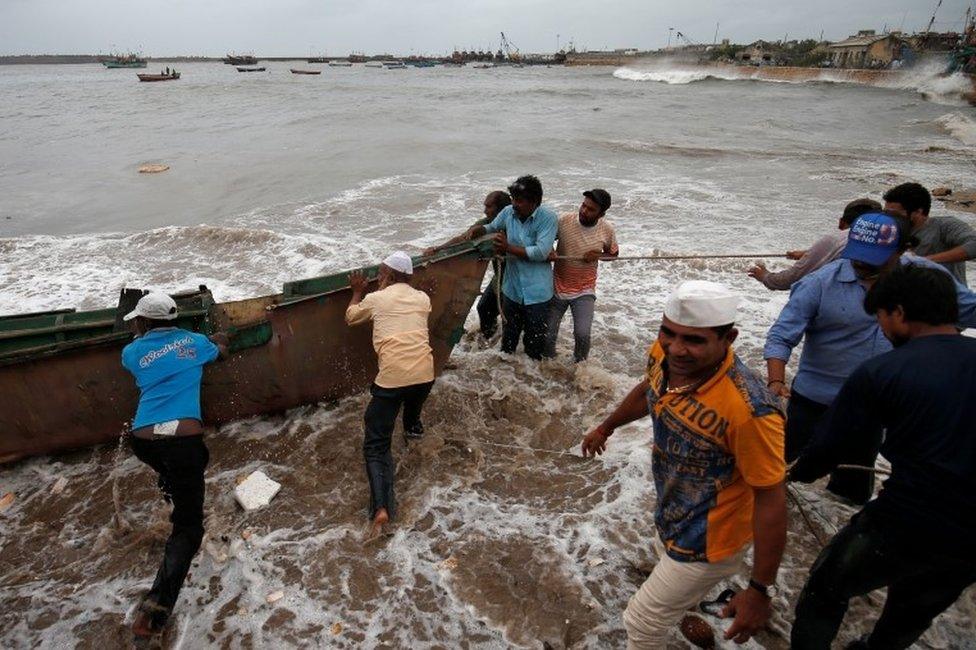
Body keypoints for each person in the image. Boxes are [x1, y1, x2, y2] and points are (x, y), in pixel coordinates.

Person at [581, 281, 787, 649]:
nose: (676, 349)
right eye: (668, 333)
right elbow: (650, 388)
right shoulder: (665, 357)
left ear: (729, 338)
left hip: (711, 540)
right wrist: (606, 426)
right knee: (666, 594)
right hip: (674, 510)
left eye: (693, 340)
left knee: (641, 622)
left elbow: (772, 499)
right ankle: (684, 612)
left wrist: (759, 590)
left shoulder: (749, 411)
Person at [789, 265, 976, 649]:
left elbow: (829, 448)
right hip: (972, 539)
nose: (882, 328)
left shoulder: (880, 372)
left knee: (826, 588)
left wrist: (792, 473)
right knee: (913, 609)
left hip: (908, 520)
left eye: (880, 317)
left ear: (899, 313)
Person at [764, 211, 976, 504]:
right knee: (773, 474)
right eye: (857, 254)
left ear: (903, 250)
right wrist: (776, 381)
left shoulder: (926, 280)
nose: (861, 263)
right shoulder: (819, 283)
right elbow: (781, 335)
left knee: (850, 495)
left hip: (879, 409)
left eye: (873, 257)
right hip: (815, 401)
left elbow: (969, 310)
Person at [121, 292, 228, 638]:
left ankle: (172, 495)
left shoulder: (132, 352)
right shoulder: (195, 343)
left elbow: (141, 358)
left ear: (143, 323)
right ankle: (153, 614)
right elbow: (219, 351)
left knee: (184, 468)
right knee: (189, 529)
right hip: (182, 441)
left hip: (144, 442)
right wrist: (220, 341)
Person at [345, 251, 435, 538]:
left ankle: (381, 508)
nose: (378, 278)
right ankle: (415, 438)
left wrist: (358, 292)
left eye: (381, 274)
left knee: (375, 444)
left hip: (393, 378)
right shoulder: (423, 299)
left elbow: (350, 317)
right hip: (425, 374)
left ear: (389, 275)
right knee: (411, 415)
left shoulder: (376, 299)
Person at [466, 175, 557, 359]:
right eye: (514, 199)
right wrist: (479, 230)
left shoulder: (548, 218)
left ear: (535, 202)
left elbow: (541, 252)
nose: (515, 204)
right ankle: (507, 377)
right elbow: (492, 226)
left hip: (537, 294)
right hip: (512, 290)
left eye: (520, 201)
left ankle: (532, 381)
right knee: (507, 344)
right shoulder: (508, 212)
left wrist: (508, 248)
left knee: (534, 347)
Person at [544, 189, 619, 362]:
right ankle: (547, 367)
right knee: (547, 336)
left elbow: (613, 254)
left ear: (601, 214)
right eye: (583, 205)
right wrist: (550, 250)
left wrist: (598, 255)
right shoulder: (564, 220)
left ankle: (579, 368)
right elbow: (546, 240)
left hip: (584, 290)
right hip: (557, 286)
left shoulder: (607, 229)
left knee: (583, 334)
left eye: (591, 209)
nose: (584, 211)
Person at [424, 191, 512, 339]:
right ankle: (490, 341)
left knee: (510, 317)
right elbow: (463, 238)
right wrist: (438, 249)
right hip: (500, 277)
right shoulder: (486, 224)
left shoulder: (515, 223)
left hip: (518, 278)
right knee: (484, 308)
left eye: (489, 206)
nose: (485, 210)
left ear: (502, 209)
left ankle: (508, 353)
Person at [747, 199, 881, 290]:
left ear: (841, 223)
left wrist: (765, 276)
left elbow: (789, 280)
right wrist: (810, 253)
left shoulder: (835, 239)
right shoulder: (890, 242)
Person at [884, 181, 976, 284]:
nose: (888, 218)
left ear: (918, 212)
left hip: (947, 297)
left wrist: (924, 261)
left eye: (895, 214)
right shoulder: (889, 231)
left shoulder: (944, 226)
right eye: (886, 213)